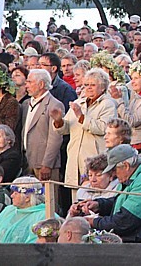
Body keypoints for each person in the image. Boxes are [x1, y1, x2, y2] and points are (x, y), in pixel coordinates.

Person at [69, 144, 141, 243]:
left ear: (126, 166)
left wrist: (92, 222)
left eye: (114, 170)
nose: (114, 175)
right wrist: (98, 205)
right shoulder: (136, 176)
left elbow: (124, 222)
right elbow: (123, 202)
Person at [50, 68, 117, 196]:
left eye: (93, 85)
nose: (88, 88)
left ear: (102, 87)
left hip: (94, 159)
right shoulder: (78, 102)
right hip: (75, 157)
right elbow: (66, 129)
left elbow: (103, 128)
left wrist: (81, 116)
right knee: (76, 198)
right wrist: (58, 121)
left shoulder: (108, 104)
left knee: (93, 197)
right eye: (86, 85)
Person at [19, 69, 64, 187]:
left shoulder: (54, 105)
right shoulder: (26, 104)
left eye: (30, 82)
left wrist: (47, 164)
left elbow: (55, 138)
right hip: (26, 161)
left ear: (41, 84)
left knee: (48, 200)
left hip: (44, 164)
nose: (26, 85)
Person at [0, 176, 51, 243]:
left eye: (15, 193)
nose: (11, 196)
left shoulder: (45, 215)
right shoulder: (9, 210)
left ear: (27, 197)